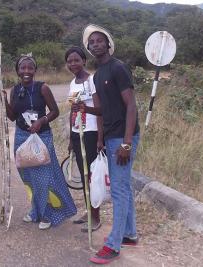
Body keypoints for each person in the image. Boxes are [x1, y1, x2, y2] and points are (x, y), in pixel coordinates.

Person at [81, 24, 140, 264]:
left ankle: (113, 244)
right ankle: (130, 234)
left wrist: (126, 143)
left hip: (124, 138)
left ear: (108, 43)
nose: (95, 44)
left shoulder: (118, 68)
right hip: (112, 136)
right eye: (91, 42)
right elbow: (105, 109)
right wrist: (85, 110)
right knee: (123, 187)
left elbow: (131, 106)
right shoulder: (98, 75)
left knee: (119, 190)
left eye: (99, 41)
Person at [0, 54, 77, 230]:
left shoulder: (43, 88)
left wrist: (41, 121)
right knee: (29, 178)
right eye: (22, 68)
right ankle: (35, 210)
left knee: (43, 178)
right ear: (18, 70)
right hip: (21, 137)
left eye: (30, 68)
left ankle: (47, 214)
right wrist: (3, 100)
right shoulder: (15, 89)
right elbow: (12, 117)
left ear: (35, 70)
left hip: (42, 137)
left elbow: (54, 112)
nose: (26, 71)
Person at [65, 46, 103, 232]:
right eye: (70, 61)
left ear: (84, 61)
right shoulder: (73, 83)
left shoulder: (92, 81)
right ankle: (89, 212)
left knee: (92, 178)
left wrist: (100, 139)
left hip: (90, 133)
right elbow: (72, 110)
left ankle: (96, 217)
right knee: (83, 175)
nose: (73, 64)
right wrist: (71, 137)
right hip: (77, 132)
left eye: (76, 60)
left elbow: (100, 111)